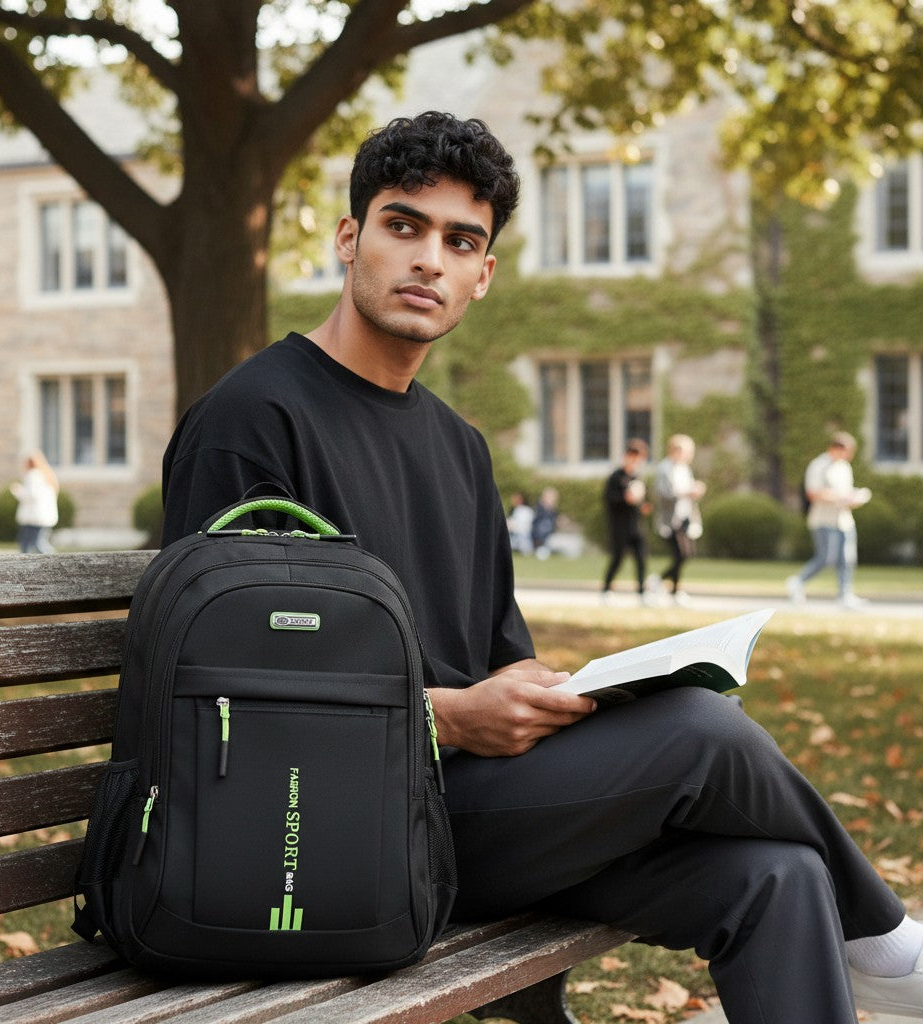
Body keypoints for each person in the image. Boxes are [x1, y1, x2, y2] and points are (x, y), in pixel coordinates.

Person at [161, 111, 923, 1024]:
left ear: (483, 276)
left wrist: (551, 692)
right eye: (403, 226)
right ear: (349, 238)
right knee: (701, 734)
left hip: (467, 817)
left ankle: (867, 942)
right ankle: (891, 945)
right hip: (324, 831)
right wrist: (451, 716)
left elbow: (495, 654)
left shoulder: (458, 446)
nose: (427, 260)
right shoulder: (253, 420)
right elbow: (230, 701)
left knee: (779, 872)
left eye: (460, 241)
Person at [787, 432, 871, 609]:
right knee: (826, 557)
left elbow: (846, 493)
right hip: (824, 520)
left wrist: (855, 498)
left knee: (847, 558)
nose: (847, 457)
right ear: (835, 448)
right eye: (845, 452)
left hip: (844, 520)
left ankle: (845, 595)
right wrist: (839, 498)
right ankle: (797, 581)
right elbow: (813, 493)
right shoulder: (819, 465)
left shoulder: (844, 467)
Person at [653, 434, 705, 604]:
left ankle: (667, 586)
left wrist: (695, 491)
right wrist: (687, 492)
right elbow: (663, 494)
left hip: (684, 517)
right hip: (670, 519)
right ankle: (669, 587)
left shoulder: (684, 469)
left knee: (686, 554)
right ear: (676, 450)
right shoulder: (665, 468)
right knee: (681, 554)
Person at [601, 439, 651, 601]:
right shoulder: (616, 477)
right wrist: (625, 498)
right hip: (619, 525)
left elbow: (639, 501)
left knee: (641, 558)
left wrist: (642, 505)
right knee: (618, 558)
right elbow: (609, 498)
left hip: (635, 525)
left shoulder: (637, 477)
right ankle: (607, 589)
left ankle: (642, 591)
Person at [10, 450, 60, 554]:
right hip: (42, 517)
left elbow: (32, 495)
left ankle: (56, 560)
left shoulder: (33, 475)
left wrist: (18, 491)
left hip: (34, 518)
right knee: (37, 544)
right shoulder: (45, 475)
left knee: (32, 545)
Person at [530, 486, 559, 559]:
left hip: (549, 538)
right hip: (541, 540)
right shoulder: (539, 510)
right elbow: (536, 528)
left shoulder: (552, 511)